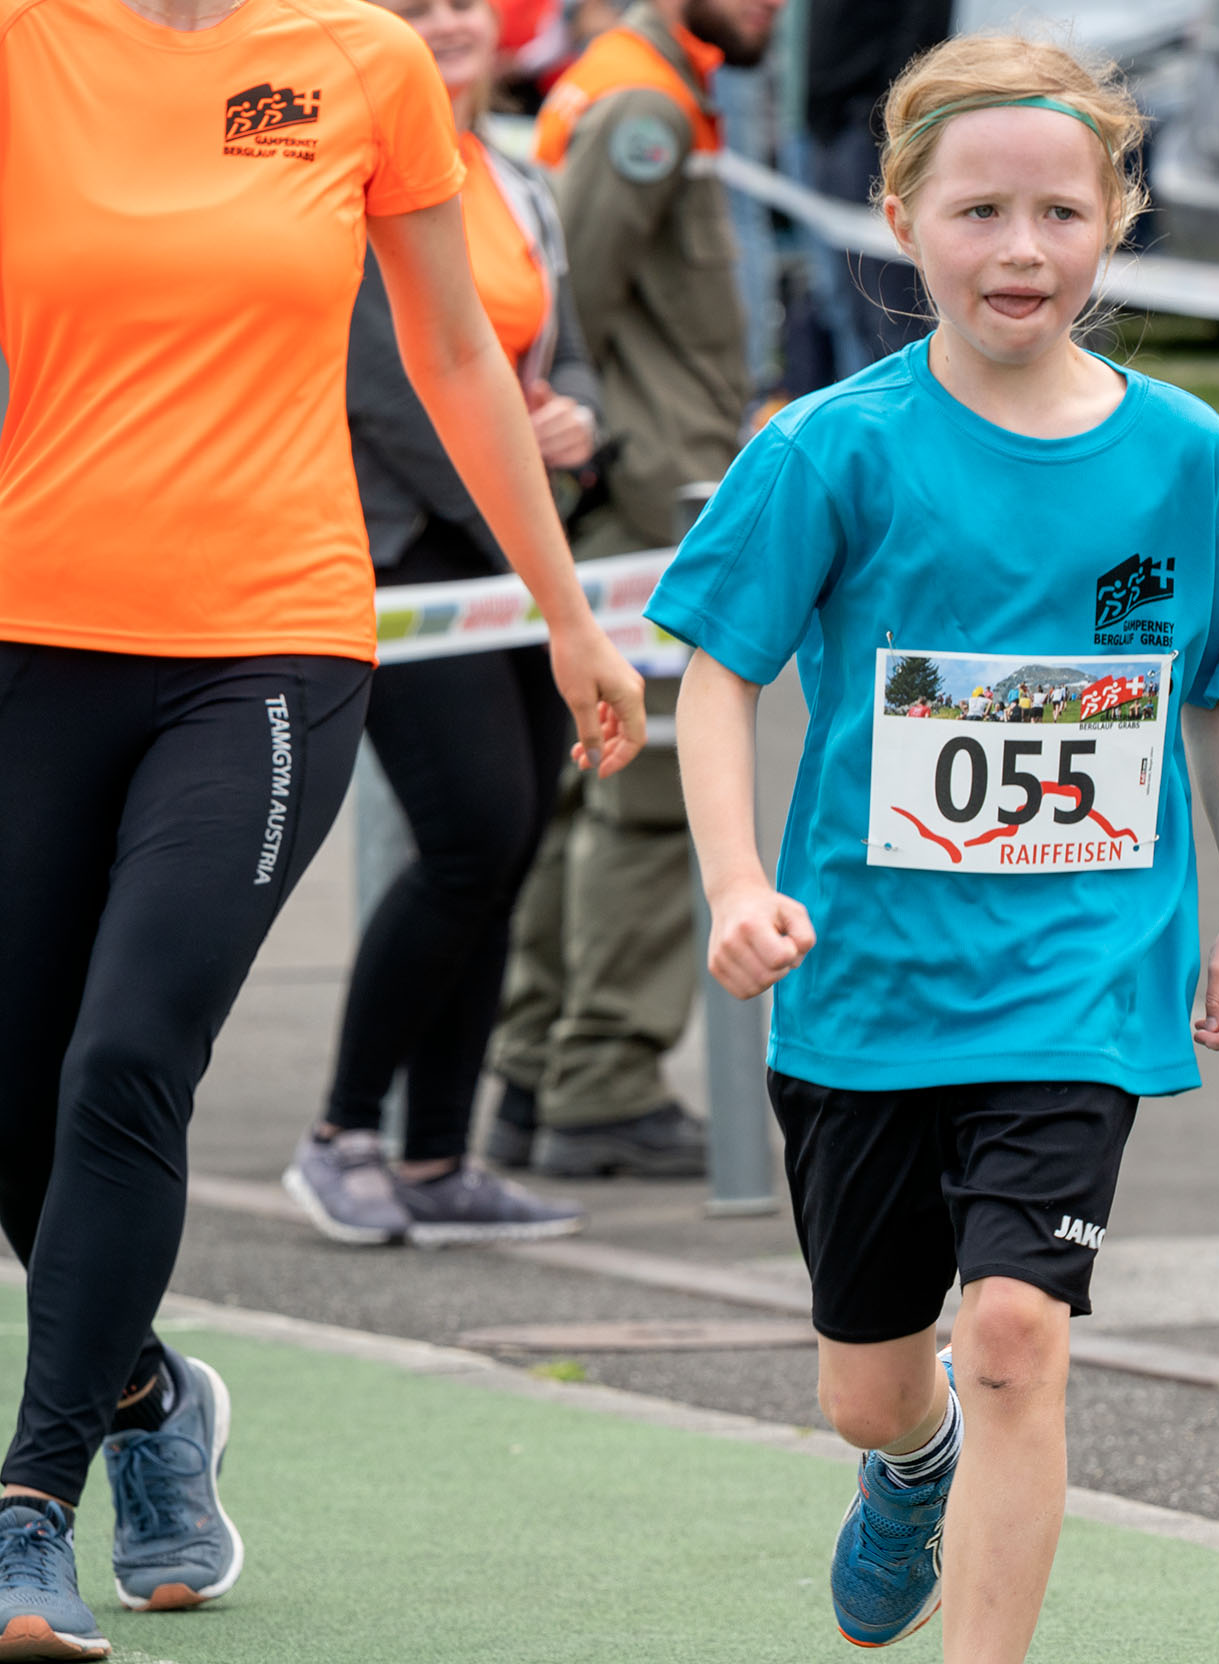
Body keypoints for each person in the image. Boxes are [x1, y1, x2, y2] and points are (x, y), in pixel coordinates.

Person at [0, 0, 646, 1643]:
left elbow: (455, 355)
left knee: (126, 1056)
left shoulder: (361, 59)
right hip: (34, 636)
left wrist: (566, 611)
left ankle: (29, 1506)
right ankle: (151, 1399)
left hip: (270, 645)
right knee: (15, 1094)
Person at [653, 34, 1219, 1656]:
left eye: (1062, 213)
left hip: (1081, 974)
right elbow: (716, 671)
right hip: (867, 985)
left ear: (1116, 218)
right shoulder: (830, 448)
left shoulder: (1189, 460)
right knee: (870, 1387)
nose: (1023, 249)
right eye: (980, 212)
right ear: (899, 219)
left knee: (1014, 1331)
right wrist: (737, 880)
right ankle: (910, 1461)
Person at [282, 0, 603, 1248]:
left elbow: (565, 351)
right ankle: (341, 1134)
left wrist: (574, 422)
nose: (444, 25)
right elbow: (388, 382)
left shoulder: (517, 176)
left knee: (507, 842)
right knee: (469, 834)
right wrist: (514, 488)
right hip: (406, 542)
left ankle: (434, 1155)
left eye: (463, 3)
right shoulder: (341, 171)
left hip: (510, 545)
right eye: (411, 8)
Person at [487, 0, 784, 1178]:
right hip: (654, 499)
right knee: (648, 795)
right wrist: (601, 454)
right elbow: (571, 313)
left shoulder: (639, 84)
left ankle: (536, 1064)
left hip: (646, 489)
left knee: (593, 791)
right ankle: (600, 1078)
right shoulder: (641, 106)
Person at [800, 0, 948, 379]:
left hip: (871, 127)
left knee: (892, 314)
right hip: (831, 123)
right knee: (846, 307)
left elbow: (925, 21)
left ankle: (909, 410)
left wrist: (888, 116)